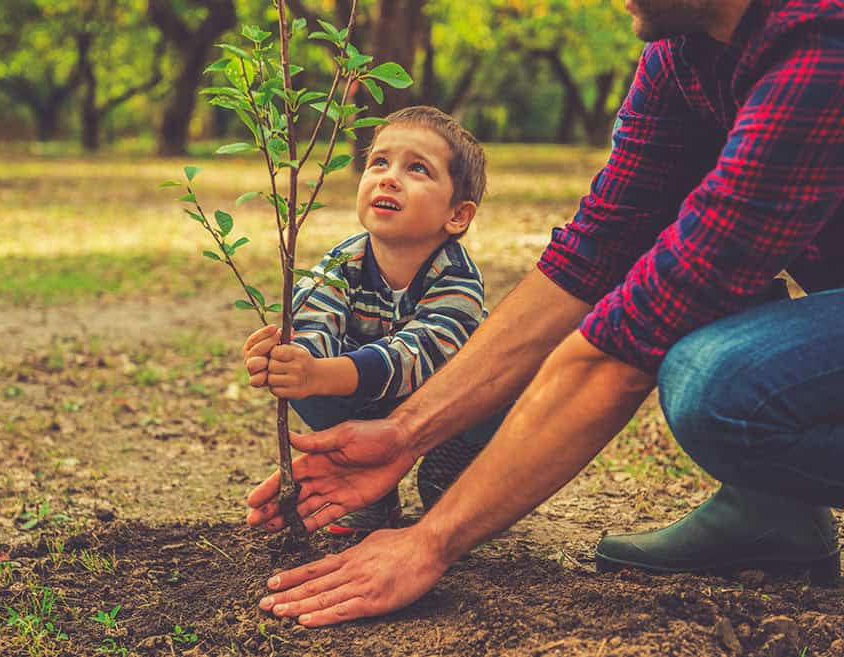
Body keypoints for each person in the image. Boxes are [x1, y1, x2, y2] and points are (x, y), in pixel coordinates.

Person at [244, 0, 844, 628]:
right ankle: (773, 509)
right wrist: (404, 433)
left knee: (717, 384)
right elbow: (595, 253)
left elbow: (627, 347)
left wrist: (431, 539)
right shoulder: (680, 55)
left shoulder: (820, 42)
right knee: (685, 251)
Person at [242, 106, 508, 536]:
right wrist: (291, 359)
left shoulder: (457, 277)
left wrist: (326, 372)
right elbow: (314, 318)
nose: (389, 177)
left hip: (445, 403)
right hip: (368, 396)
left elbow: (419, 355)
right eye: (379, 162)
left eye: (417, 168)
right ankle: (373, 493)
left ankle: (457, 467)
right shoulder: (344, 261)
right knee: (306, 382)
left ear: (457, 214)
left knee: (501, 386)